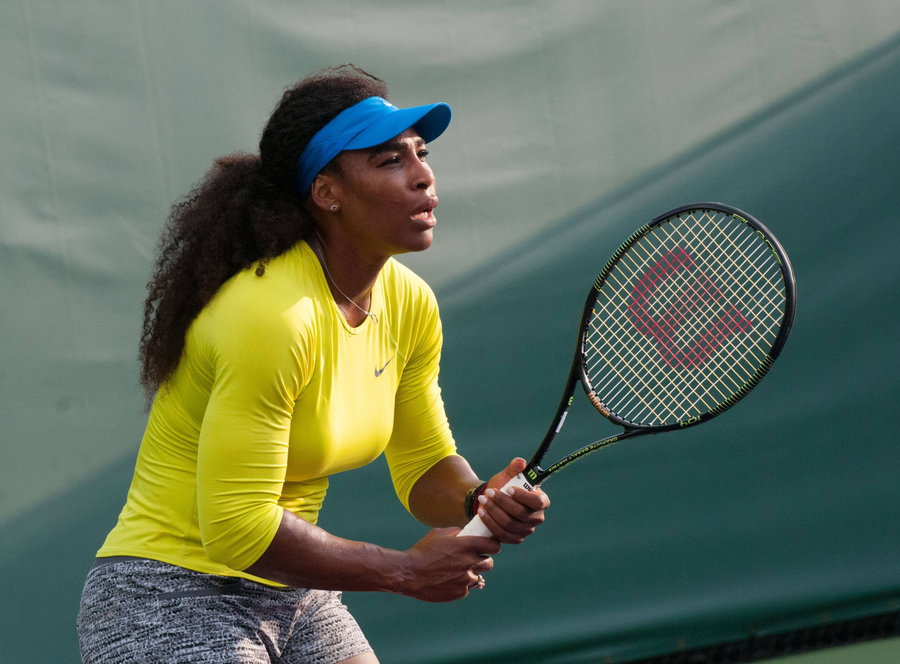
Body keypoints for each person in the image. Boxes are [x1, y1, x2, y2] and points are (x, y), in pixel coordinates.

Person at [76, 64, 549, 663]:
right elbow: (237, 527)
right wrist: (404, 570)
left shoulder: (410, 304)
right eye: (389, 161)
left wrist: (479, 499)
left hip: (298, 594)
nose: (423, 176)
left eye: (421, 154)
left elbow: (424, 466)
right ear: (328, 193)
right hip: (166, 597)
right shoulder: (271, 315)